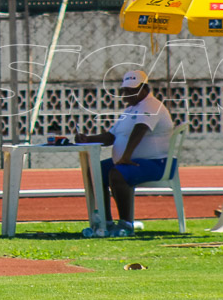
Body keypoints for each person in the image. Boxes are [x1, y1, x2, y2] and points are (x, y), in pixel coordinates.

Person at [74, 70, 173, 236]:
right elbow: (112, 136)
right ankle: (106, 222)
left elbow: (140, 129)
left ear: (144, 88)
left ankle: (126, 223)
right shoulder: (130, 110)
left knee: (117, 173)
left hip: (157, 162)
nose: (127, 94)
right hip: (135, 161)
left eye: (132, 89)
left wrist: (125, 156)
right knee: (96, 170)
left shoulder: (151, 105)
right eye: (125, 90)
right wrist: (87, 139)